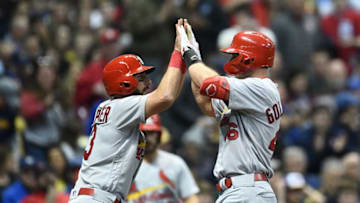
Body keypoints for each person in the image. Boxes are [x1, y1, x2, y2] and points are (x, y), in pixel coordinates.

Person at [69, 19, 187, 203]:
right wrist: (179, 53)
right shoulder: (120, 107)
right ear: (124, 82)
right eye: (141, 78)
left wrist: (183, 64)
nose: (148, 83)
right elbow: (165, 97)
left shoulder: (115, 108)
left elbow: (168, 96)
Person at [177, 19, 281, 202]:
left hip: (246, 189)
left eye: (235, 55)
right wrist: (196, 58)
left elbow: (209, 83)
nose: (231, 60)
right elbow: (206, 103)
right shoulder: (245, 92)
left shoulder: (261, 88)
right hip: (243, 190)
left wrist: (189, 54)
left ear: (249, 58)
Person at [127, 114, 200, 203]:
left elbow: (191, 197)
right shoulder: (126, 165)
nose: (147, 138)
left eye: (151, 133)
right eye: (144, 133)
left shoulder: (175, 163)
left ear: (159, 135)